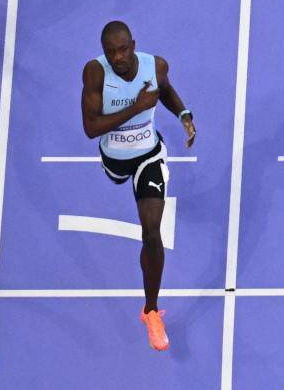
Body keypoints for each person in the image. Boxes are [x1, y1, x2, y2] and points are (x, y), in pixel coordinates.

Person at [80, 21, 197, 351]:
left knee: (151, 232)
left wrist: (183, 114)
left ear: (133, 44)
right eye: (111, 52)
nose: (118, 57)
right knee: (119, 181)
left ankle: (151, 311)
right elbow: (90, 128)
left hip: (149, 155)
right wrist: (137, 107)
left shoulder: (154, 65)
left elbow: (166, 90)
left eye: (123, 49)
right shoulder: (95, 74)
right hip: (115, 161)